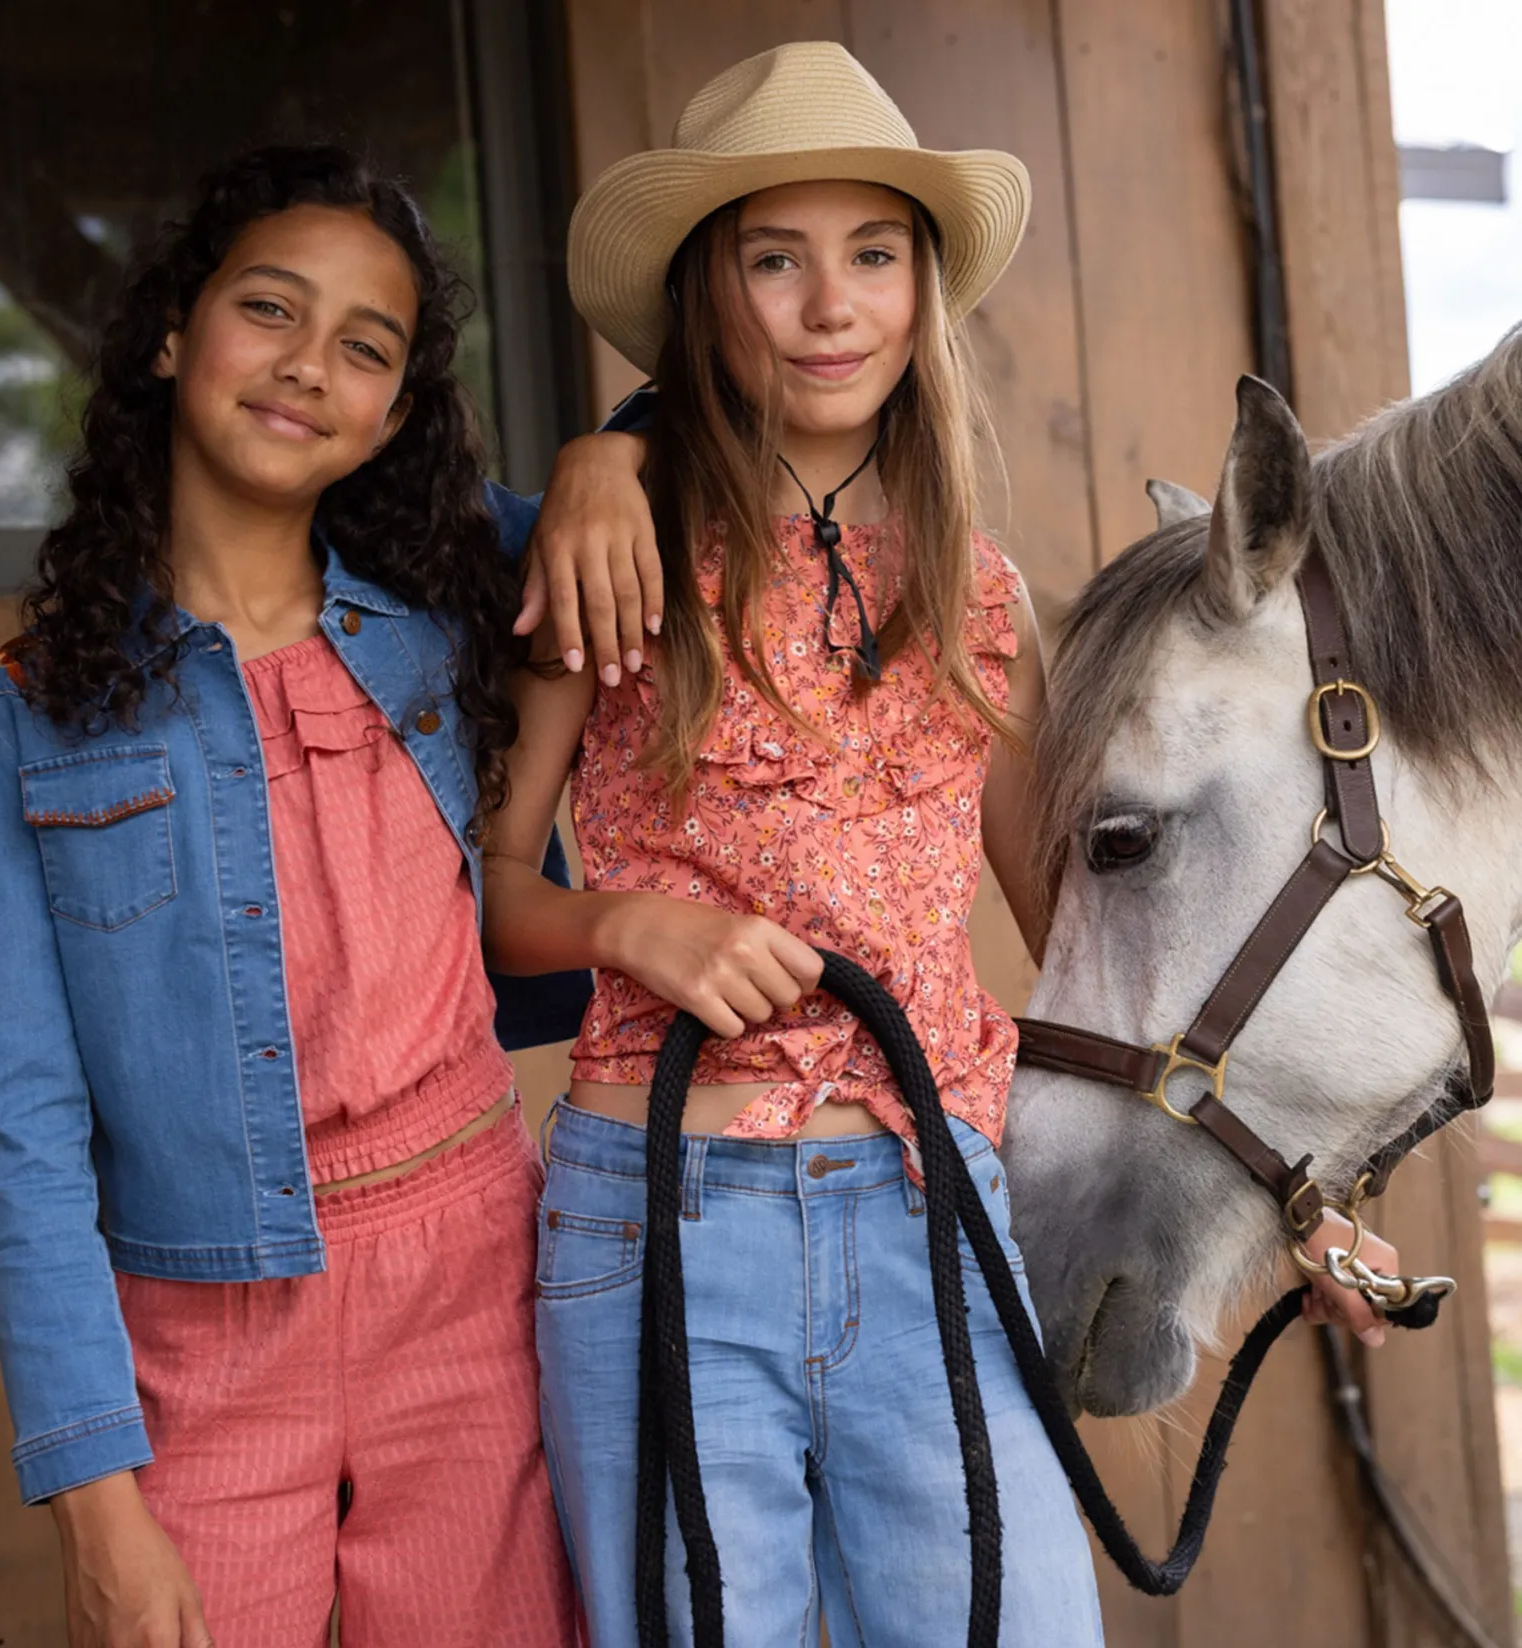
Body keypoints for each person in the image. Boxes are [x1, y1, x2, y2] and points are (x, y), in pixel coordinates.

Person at [485, 40, 1397, 1646]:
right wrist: (629, 927)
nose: (831, 306)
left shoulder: (978, 597)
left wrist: (1293, 1192)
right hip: (662, 1219)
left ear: (921, 291)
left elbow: (1104, 958)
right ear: (709, 296)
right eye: (776, 260)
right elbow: (491, 900)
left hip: (931, 1211)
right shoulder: (616, 560)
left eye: (874, 255)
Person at [0, 143, 652, 1648]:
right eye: (270, 308)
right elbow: (21, 1135)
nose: (311, 364)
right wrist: (95, 1499)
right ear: (172, 335)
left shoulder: (452, 609)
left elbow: (703, 490)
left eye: (367, 347)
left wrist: (612, 454)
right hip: (198, 1331)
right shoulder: (18, 719)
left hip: (473, 1291)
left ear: (394, 414)